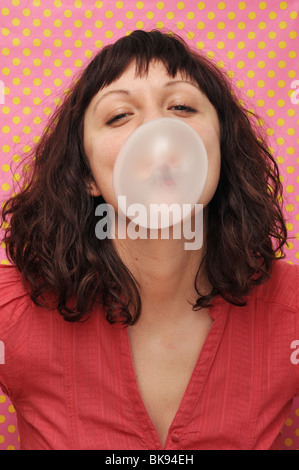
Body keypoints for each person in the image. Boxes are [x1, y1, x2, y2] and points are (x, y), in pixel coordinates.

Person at [0, 29, 298, 451]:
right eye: (119, 115)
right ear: (87, 174)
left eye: (181, 106)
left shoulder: (291, 313)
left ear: (220, 147)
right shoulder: (12, 313)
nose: (157, 132)